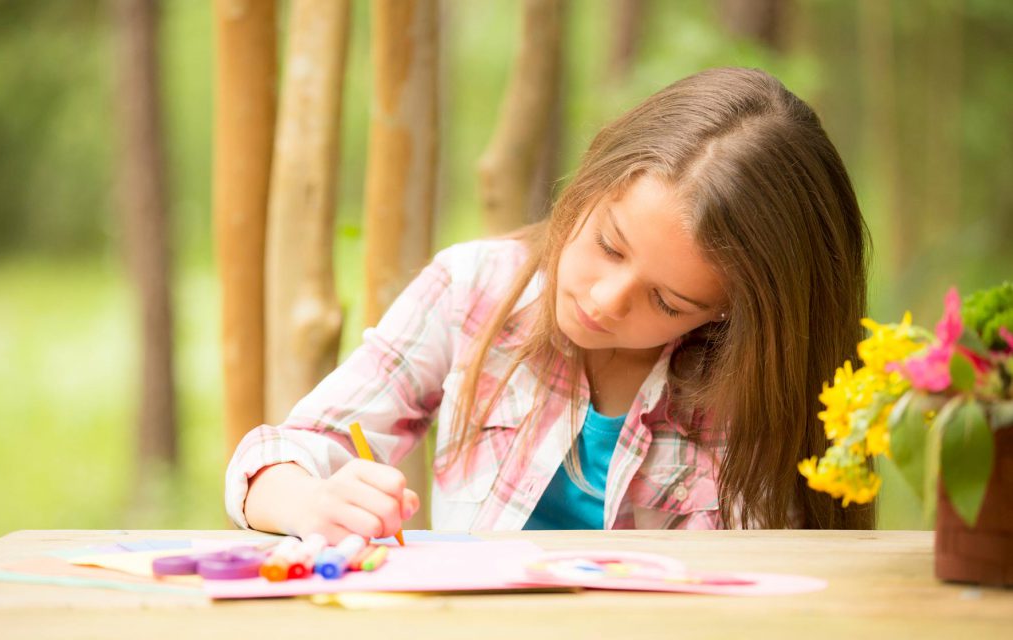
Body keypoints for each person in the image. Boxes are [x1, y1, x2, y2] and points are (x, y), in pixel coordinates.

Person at [226, 67, 874, 542]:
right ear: (590, 181)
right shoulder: (474, 290)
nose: (602, 299)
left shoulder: (757, 389)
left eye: (668, 301)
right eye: (608, 245)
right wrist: (310, 503)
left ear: (728, 315)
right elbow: (278, 455)